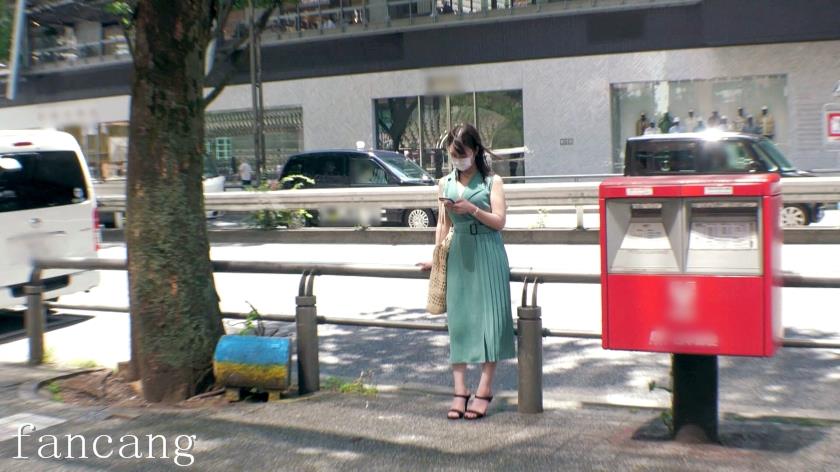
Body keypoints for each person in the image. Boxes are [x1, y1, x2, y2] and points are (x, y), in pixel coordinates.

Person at [418, 123, 515, 420]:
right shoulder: (444, 183)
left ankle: (484, 390)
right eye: (453, 154)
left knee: (491, 322)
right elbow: (442, 224)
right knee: (458, 323)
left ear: (475, 151)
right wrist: (436, 258)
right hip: (458, 252)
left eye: (462, 154)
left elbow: (499, 221)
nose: (458, 160)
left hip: (488, 251)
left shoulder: (492, 182)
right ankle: (459, 391)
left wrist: (472, 209)